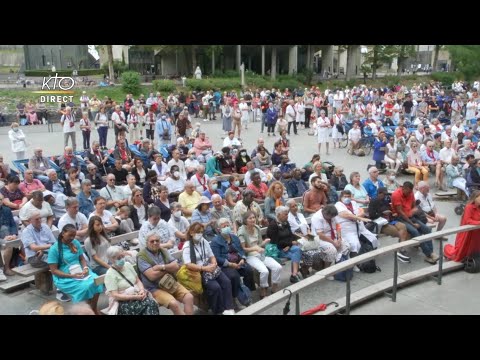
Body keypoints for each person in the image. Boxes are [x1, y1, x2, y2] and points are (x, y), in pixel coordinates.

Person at [47, 224, 104, 315]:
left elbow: (81, 259)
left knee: (97, 280)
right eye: (70, 235)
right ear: (63, 233)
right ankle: (81, 311)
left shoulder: (75, 242)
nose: (72, 238)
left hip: (80, 271)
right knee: (84, 287)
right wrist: (71, 275)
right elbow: (54, 271)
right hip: (64, 276)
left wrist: (85, 267)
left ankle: (93, 308)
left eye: (74, 235)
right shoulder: (54, 249)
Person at [182, 222, 235, 315]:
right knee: (215, 287)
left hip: (210, 267)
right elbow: (188, 264)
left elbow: (211, 255)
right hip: (198, 271)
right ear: (191, 233)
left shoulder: (203, 241)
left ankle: (229, 307)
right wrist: (204, 268)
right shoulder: (187, 246)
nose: (200, 234)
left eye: (201, 232)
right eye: (197, 232)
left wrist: (214, 264)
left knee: (226, 281)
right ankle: (219, 310)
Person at [137, 232, 194, 315]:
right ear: (146, 243)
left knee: (189, 297)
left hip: (169, 282)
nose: (155, 243)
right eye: (152, 241)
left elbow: (176, 266)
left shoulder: (163, 251)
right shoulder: (142, 256)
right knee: (174, 304)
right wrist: (169, 268)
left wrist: (161, 267)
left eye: (157, 241)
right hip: (154, 288)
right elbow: (152, 276)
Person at [211, 218, 256, 310]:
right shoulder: (215, 241)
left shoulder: (234, 237)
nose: (227, 227)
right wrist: (230, 264)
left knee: (248, 270)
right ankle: (234, 298)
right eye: (224, 226)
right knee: (233, 276)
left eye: (228, 225)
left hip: (238, 262)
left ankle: (246, 295)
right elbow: (217, 257)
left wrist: (243, 258)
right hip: (225, 265)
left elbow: (241, 250)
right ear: (219, 229)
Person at [392, 181, 439, 264]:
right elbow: (401, 213)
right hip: (400, 218)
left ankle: (430, 253)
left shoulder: (410, 193)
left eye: (411, 192)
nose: (410, 193)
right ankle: (429, 254)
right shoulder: (396, 194)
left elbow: (414, 207)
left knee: (427, 229)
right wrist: (412, 223)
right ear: (404, 188)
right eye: (409, 192)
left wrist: (415, 212)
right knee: (415, 232)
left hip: (411, 216)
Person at [104, 246, 160, 315]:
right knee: (146, 306)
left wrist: (142, 290)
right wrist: (134, 297)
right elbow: (115, 295)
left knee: (151, 303)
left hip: (136, 293)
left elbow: (137, 281)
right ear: (112, 259)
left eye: (122, 256)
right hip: (123, 301)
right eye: (119, 258)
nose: (122, 259)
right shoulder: (110, 274)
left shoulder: (128, 265)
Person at [238, 211, 282, 298]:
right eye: (250, 218)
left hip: (260, 252)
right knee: (264, 271)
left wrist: (264, 243)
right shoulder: (241, 231)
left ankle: (274, 287)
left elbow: (259, 244)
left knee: (278, 267)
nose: (253, 219)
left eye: (254, 217)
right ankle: (263, 288)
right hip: (250, 255)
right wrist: (255, 248)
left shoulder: (257, 228)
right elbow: (243, 249)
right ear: (245, 220)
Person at [267, 206, 304, 283]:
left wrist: (289, 245)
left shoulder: (286, 222)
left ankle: (294, 274)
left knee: (297, 249)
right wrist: (290, 244)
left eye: (287, 214)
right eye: (285, 214)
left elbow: (290, 235)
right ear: (279, 215)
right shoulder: (273, 225)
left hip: (287, 247)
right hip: (278, 248)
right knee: (296, 252)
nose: (287, 216)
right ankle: (294, 275)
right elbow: (275, 242)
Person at [444, 191, 480, 262]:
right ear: (475, 198)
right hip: (468, 233)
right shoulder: (469, 207)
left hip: (477, 232)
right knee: (459, 253)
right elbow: (468, 221)